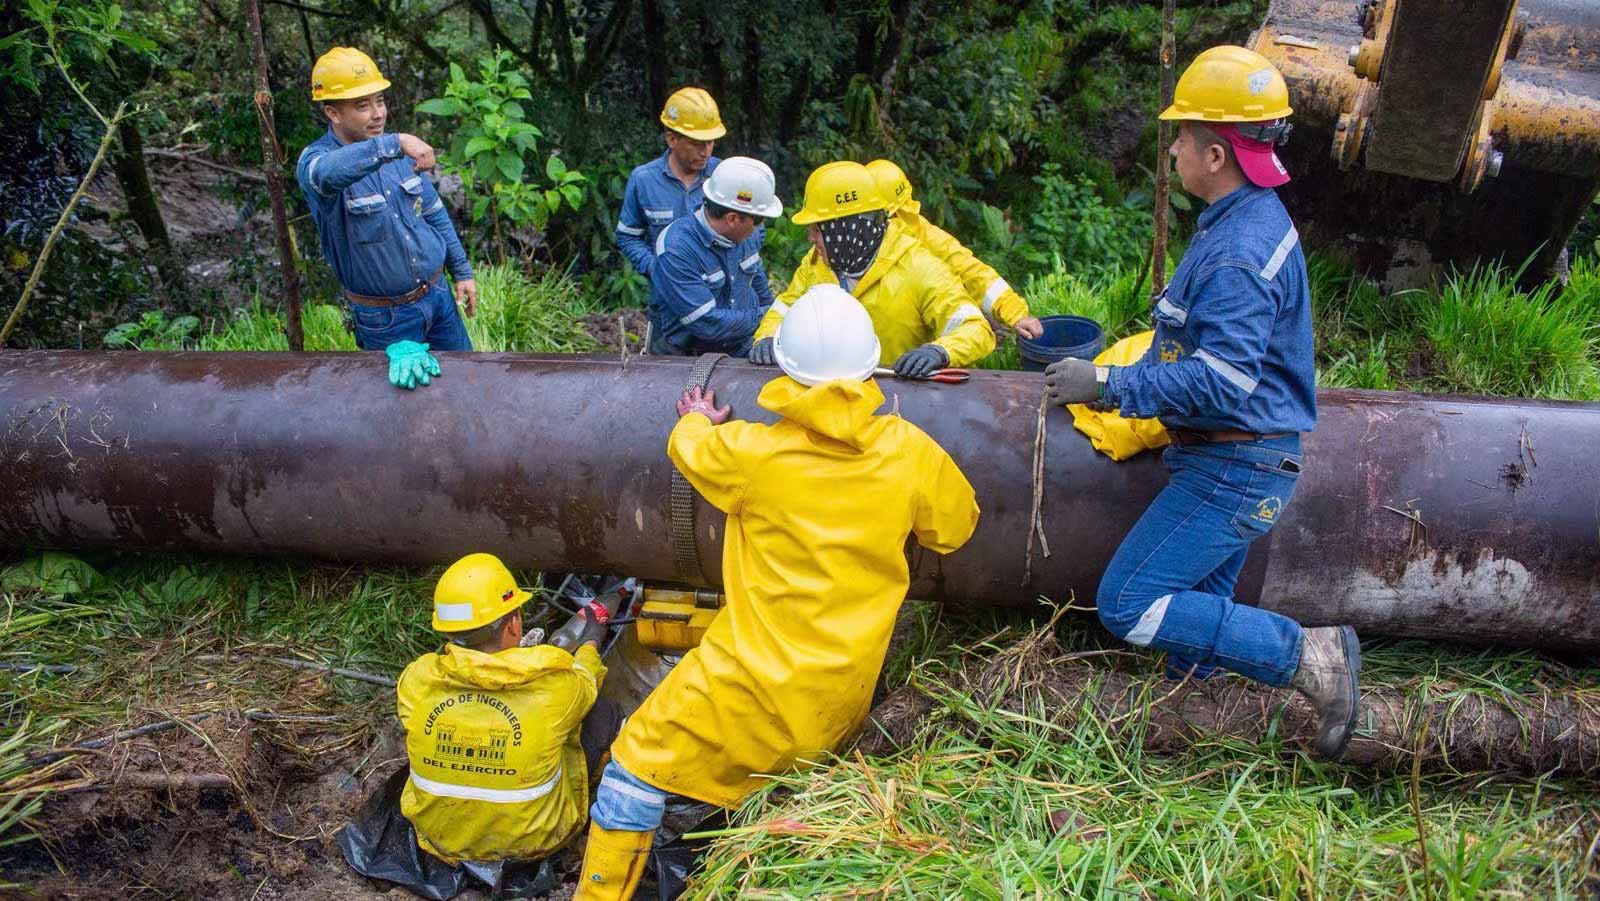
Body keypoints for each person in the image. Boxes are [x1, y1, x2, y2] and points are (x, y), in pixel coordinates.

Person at [573, 286, 980, 899]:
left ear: (787, 373)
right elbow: (956, 528)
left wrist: (694, 417)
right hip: (839, 695)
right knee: (774, 778)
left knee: (633, 766)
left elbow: (689, 448)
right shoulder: (908, 452)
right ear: (869, 369)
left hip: (751, 682)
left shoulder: (753, 454)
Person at [1043, 46, 1360, 759]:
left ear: (1216, 153)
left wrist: (1107, 384)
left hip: (1236, 469)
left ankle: (1312, 658)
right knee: (1195, 645)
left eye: (1181, 135)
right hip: (1228, 460)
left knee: (1130, 603)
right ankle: (1192, 749)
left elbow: (1222, 380)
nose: (1173, 147)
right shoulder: (1238, 220)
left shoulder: (1240, 252)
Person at [379, 554, 612, 882]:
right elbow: (587, 679)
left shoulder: (415, 681)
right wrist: (590, 642)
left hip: (439, 839)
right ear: (515, 623)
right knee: (601, 712)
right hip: (535, 843)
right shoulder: (555, 687)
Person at [295, 47, 476, 391]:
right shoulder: (317, 161)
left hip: (438, 297)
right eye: (363, 106)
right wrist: (394, 143)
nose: (377, 114)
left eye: (379, 101)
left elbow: (435, 215)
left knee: (465, 387)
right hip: (386, 319)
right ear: (333, 112)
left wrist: (462, 272)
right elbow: (326, 174)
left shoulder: (395, 153)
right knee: (402, 418)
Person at [749, 162, 996, 377]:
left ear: (846, 229)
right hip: (825, 390)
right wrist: (768, 336)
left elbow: (976, 329)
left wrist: (941, 352)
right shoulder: (816, 264)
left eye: (817, 228)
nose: (810, 238)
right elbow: (785, 307)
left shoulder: (918, 267)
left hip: (896, 399)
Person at [865, 159, 1044, 340]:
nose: (898, 221)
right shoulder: (845, 245)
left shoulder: (922, 234)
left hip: (918, 353)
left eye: (900, 214)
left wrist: (1016, 314)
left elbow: (970, 271)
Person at [647, 157, 781, 356]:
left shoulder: (747, 236)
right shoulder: (676, 249)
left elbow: (761, 292)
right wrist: (764, 317)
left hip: (740, 347)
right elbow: (707, 323)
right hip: (684, 357)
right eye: (758, 220)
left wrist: (770, 330)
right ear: (733, 219)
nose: (760, 227)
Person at [614, 87, 725, 280]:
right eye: (697, 143)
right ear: (672, 139)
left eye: (710, 142)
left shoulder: (725, 176)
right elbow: (628, 236)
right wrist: (656, 269)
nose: (706, 151)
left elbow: (752, 230)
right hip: (668, 301)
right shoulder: (644, 181)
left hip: (721, 299)